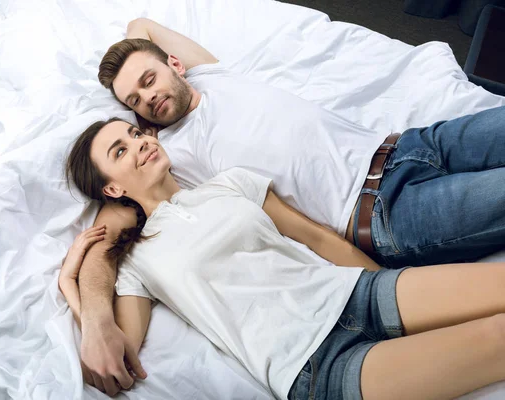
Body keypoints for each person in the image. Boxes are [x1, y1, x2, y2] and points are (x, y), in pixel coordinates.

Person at [75, 18, 505, 394]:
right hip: (375, 228)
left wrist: (128, 57)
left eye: (147, 82)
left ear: (174, 64)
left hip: (402, 150)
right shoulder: (173, 159)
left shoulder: (216, 87)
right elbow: (108, 239)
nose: (145, 102)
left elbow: (141, 25)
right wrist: (82, 303)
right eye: (133, 102)